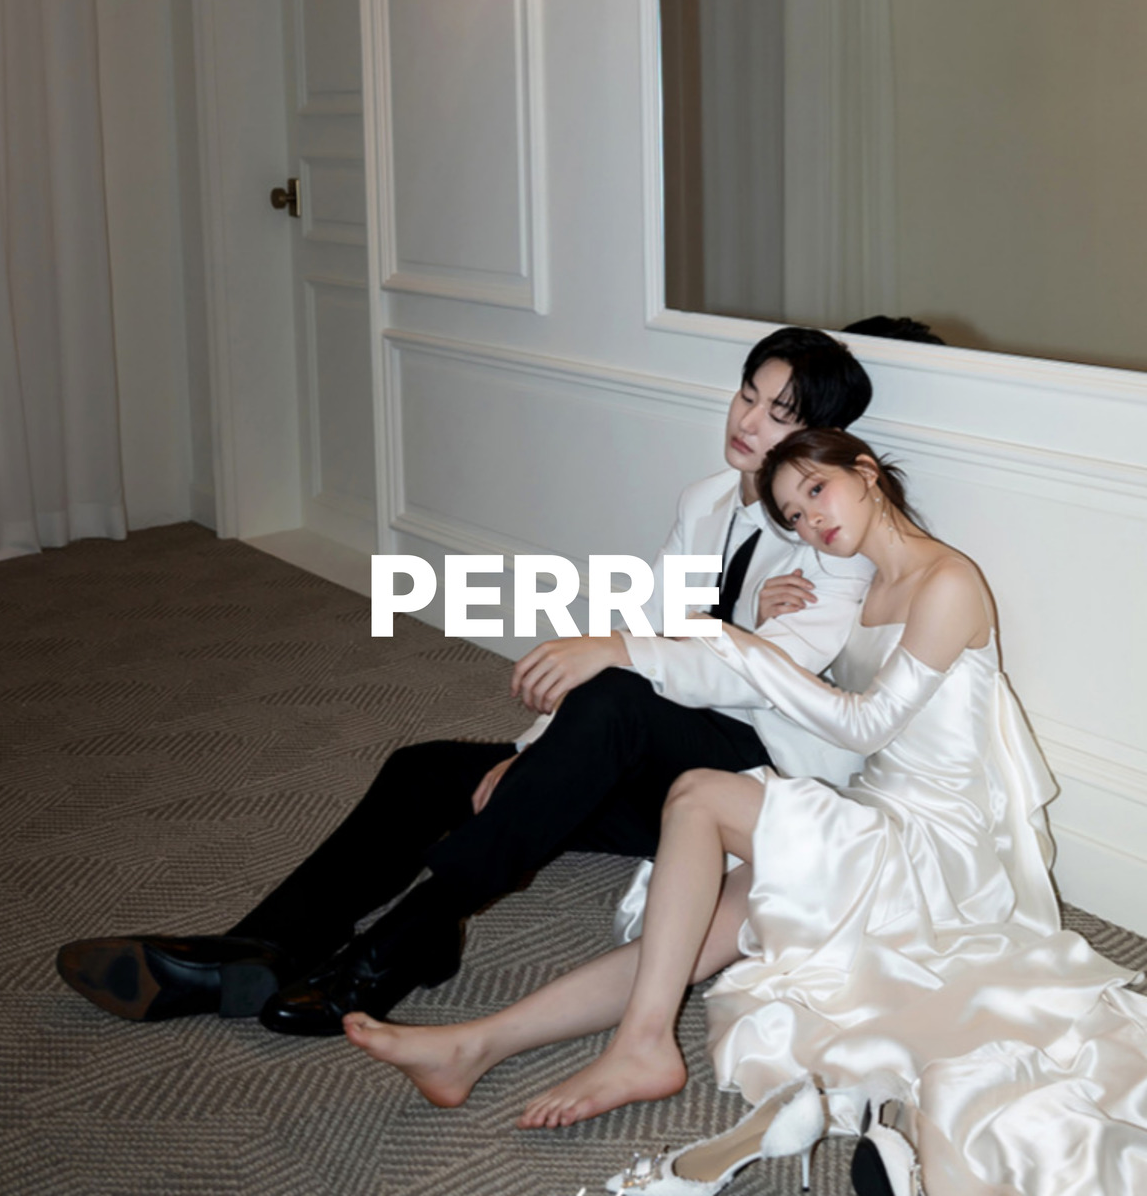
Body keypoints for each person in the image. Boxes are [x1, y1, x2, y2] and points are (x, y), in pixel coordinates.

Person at [343, 429, 1147, 1195]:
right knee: (686, 938)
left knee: (699, 796)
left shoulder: (949, 583)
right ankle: (474, 1045)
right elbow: (804, 695)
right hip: (872, 810)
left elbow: (864, 724)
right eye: (793, 513)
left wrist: (739, 643)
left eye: (818, 491)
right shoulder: (864, 585)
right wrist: (758, 624)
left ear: (867, 472)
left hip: (933, 842)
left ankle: (642, 1044)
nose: (811, 520)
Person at [55, 327, 876, 1035]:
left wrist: (667, 643)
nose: (748, 422)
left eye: (780, 414)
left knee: (618, 688)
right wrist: (530, 753)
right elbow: (649, 634)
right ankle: (262, 946)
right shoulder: (705, 502)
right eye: (747, 395)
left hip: (738, 780)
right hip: (633, 751)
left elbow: (746, 676)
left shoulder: (831, 537)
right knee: (429, 772)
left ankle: (410, 935)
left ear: (823, 437)